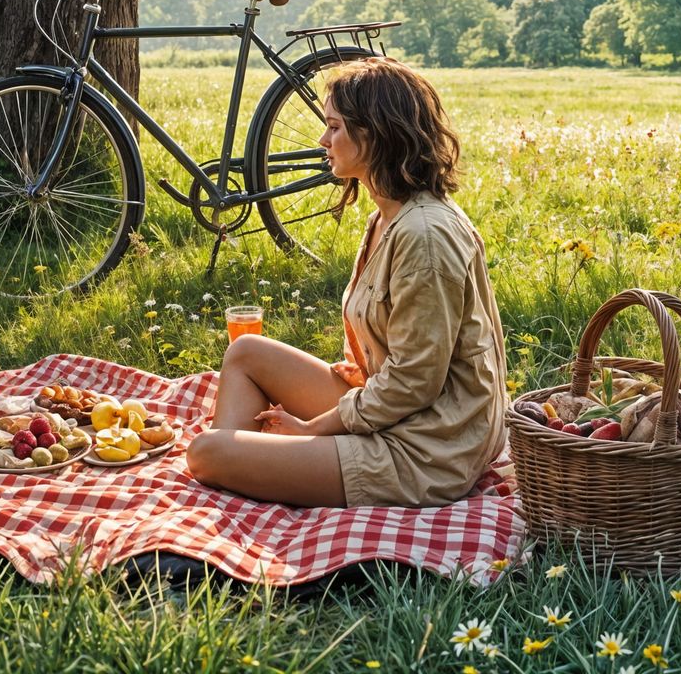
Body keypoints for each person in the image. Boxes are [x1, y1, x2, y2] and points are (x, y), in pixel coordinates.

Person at [185, 57, 506, 508]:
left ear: (373, 134)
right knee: (246, 353)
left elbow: (415, 382)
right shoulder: (388, 216)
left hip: (429, 447)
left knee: (205, 453)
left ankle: (248, 466)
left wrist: (313, 428)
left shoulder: (425, 236)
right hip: (394, 410)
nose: (323, 140)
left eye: (334, 127)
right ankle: (257, 464)